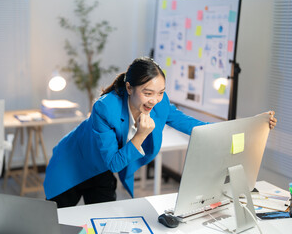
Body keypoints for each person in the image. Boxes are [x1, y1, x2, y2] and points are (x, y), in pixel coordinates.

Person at [43, 57, 277, 208]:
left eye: (160, 92)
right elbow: (115, 162)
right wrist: (140, 136)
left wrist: (247, 126)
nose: (155, 100)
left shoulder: (159, 102)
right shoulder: (105, 107)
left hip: (102, 168)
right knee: (57, 224)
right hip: (71, 165)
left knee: (103, 221)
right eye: (147, 93)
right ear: (129, 88)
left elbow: (190, 124)